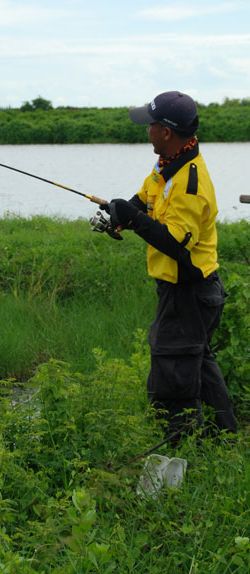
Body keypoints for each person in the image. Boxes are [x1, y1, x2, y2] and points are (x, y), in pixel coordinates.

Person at [101, 91, 237, 443]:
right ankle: (226, 439)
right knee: (199, 364)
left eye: (150, 125)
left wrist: (133, 220)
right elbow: (144, 198)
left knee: (173, 372)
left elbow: (176, 243)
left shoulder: (190, 183)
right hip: (188, 292)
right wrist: (123, 212)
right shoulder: (168, 164)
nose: (145, 131)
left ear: (165, 131)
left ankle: (178, 448)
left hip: (189, 292)